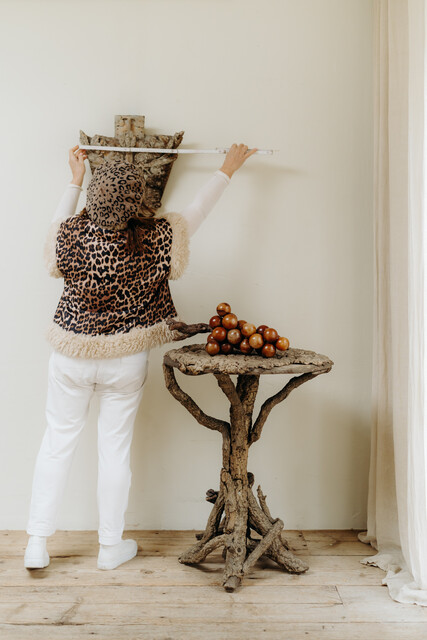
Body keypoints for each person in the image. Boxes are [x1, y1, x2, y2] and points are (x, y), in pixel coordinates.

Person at [24, 142, 257, 571]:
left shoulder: (70, 235)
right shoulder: (156, 239)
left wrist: (74, 179)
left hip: (70, 355)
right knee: (114, 450)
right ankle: (109, 547)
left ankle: (36, 543)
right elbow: (196, 214)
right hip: (124, 361)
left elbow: (56, 228)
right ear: (138, 202)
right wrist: (228, 167)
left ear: (95, 196)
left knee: (56, 444)